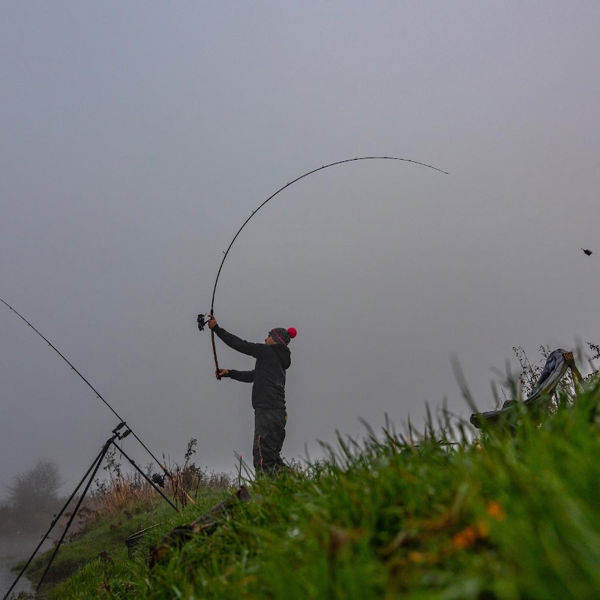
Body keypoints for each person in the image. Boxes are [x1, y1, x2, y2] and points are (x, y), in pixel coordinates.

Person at [207, 316, 297, 476]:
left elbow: (241, 345)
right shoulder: (279, 362)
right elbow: (254, 376)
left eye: (268, 335)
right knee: (273, 457)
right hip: (279, 415)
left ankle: (266, 495)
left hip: (267, 413)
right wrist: (230, 373)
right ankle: (296, 486)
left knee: (262, 457)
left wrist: (217, 329)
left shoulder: (267, 352)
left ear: (275, 339)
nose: (265, 338)